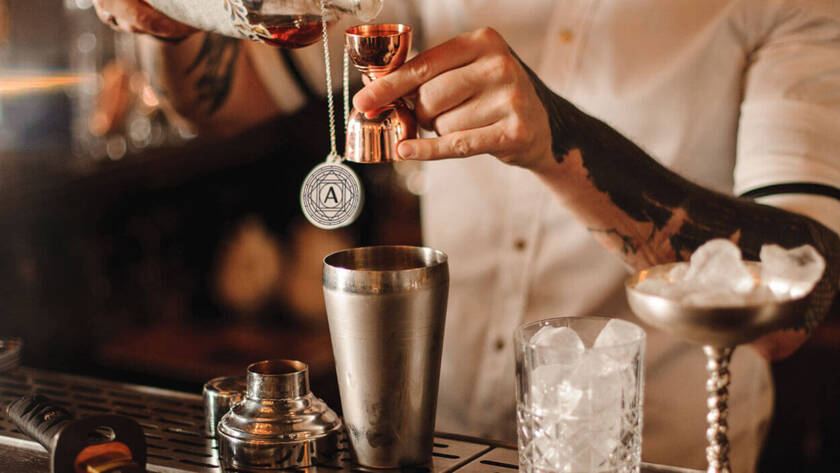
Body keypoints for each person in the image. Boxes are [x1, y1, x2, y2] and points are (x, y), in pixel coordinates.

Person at [92, 0, 840, 470]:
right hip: (440, 445)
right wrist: (173, 19)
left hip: (656, 455)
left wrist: (561, 144)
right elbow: (228, 100)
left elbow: (798, 300)